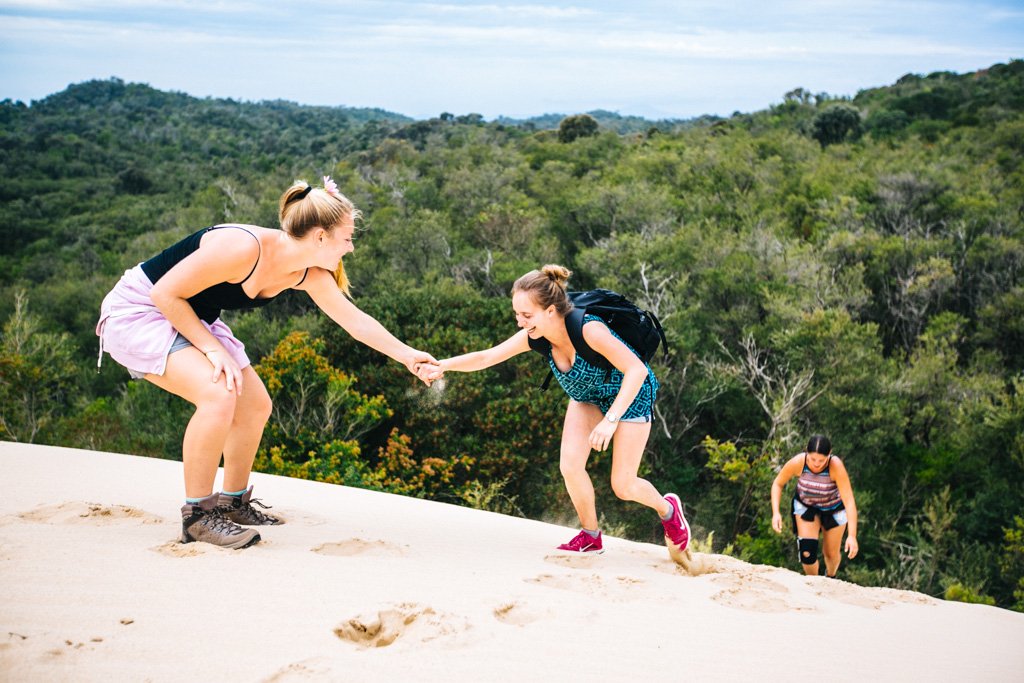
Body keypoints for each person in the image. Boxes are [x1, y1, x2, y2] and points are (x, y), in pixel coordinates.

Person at [96, 176, 439, 550]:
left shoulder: (308, 273)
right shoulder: (242, 247)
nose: (352, 248)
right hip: (142, 310)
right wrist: (213, 350)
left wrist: (408, 355)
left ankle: (233, 503)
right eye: (347, 238)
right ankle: (196, 517)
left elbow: (355, 322)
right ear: (320, 237)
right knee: (218, 394)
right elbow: (164, 293)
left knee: (255, 405)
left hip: (193, 317)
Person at [429, 265, 691, 559]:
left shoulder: (589, 329)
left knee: (623, 484)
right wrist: (443, 365)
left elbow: (636, 370)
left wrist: (610, 421)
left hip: (630, 395)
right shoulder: (535, 336)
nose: (520, 322)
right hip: (587, 397)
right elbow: (488, 356)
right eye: (517, 314)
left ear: (551, 311)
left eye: (526, 316)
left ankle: (668, 510)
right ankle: (591, 537)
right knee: (569, 465)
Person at [770, 434, 859, 577]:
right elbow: (778, 483)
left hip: (834, 510)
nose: (816, 463)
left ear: (829, 455)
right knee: (807, 552)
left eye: (821, 460)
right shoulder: (799, 462)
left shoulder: (835, 466)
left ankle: (830, 577)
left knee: (830, 554)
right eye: (812, 459)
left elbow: (849, 501)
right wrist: (776, 512)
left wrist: (852, 536)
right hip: (807, 508)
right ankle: (814, 584)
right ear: (806, 452)